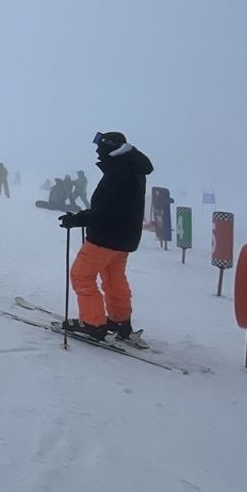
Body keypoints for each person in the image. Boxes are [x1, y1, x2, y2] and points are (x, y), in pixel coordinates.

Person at [58, 131, 154, 341]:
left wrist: (77, 220)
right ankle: (119, 320)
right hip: (124, 237)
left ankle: (93, 323)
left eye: (100, 146)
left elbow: (106, 211)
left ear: (110, 148)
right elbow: (115, 208)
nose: (97, 151)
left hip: (106, 237)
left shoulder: (120, 173)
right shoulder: (132, 169)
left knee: (82, 275)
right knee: (113, 277)